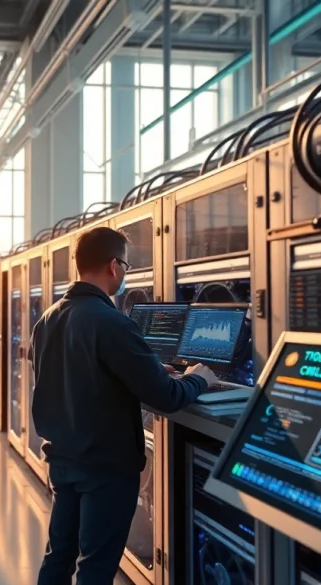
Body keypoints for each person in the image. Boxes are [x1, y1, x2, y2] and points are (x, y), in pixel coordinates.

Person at [30, 226, 218, 585]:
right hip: (105, 468)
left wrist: (144, 369)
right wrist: (199, 378)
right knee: (96, 568)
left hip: (62, 460)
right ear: (114, 266)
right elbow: (167, 397)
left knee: (59, 557)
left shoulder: (49, 317)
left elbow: (75, 376)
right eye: (126, 268)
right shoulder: (113, 322)